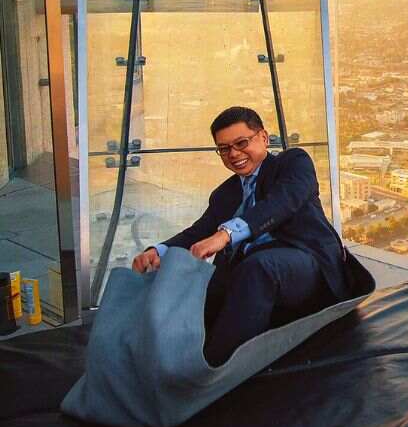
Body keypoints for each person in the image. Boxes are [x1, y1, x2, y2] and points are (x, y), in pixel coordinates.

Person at [131, 106, 350, 366]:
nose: (234, 154)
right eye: (224, 149)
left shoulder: (293, 163)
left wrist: (225, 234)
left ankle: (215, 371)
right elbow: (200, 230)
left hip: (307, 263)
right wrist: (158, 251)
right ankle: (165, 363)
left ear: (264, 138)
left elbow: (282, 202)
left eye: (241, 142)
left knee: (259, 269)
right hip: (250, 268)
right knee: (204, 294)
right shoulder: (225, 193)